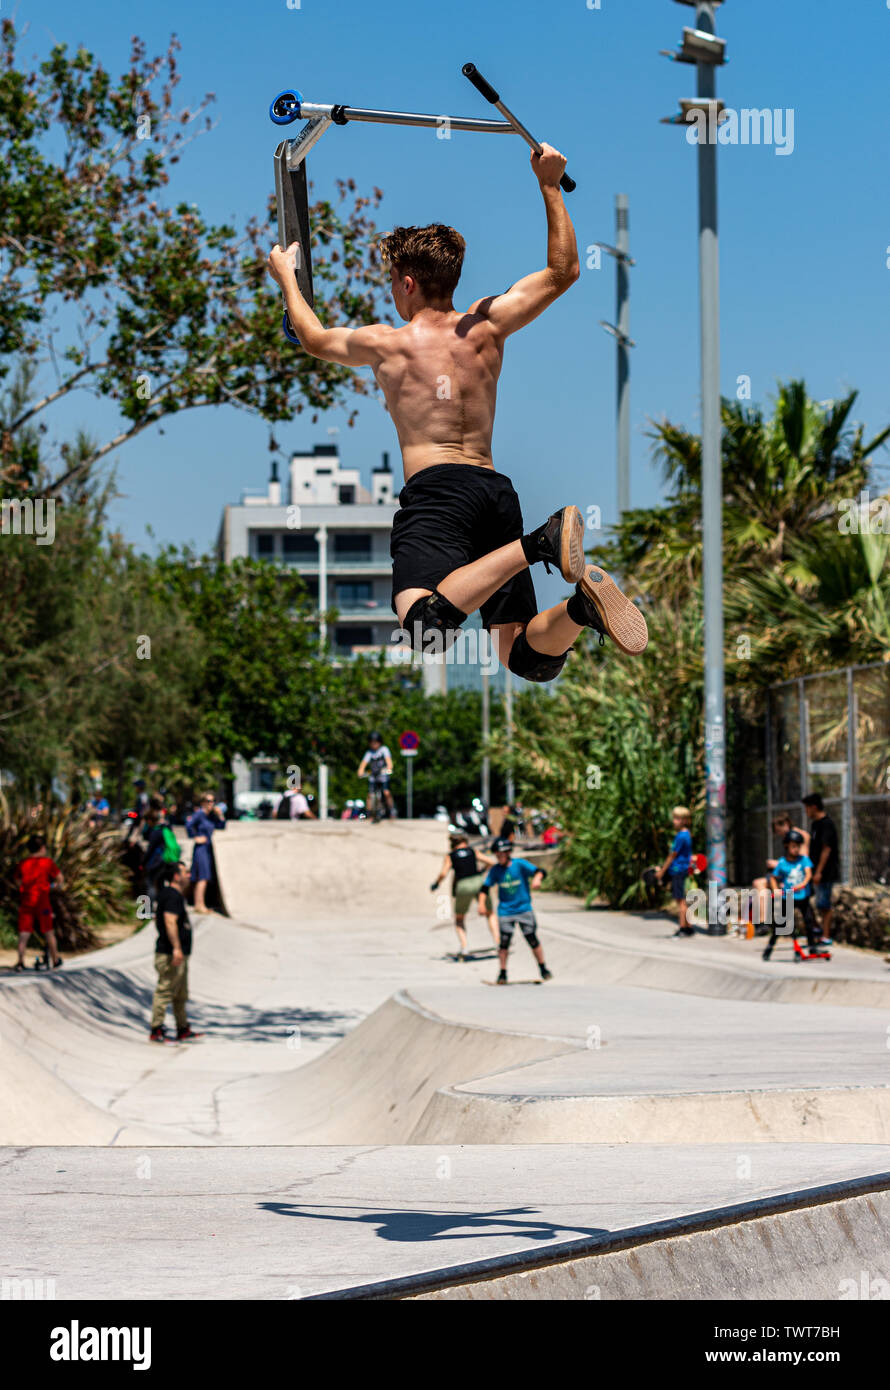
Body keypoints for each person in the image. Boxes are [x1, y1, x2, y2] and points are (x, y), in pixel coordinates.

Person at [266, 144, 649, 687]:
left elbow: (311, 337)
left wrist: (286, 275)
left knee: (424, 629)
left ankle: (540, 543)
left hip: (438, 492)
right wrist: (548, 184)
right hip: (493, 490)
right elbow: (563, 272)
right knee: (524, 657)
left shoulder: (388, 344)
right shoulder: (487, 325)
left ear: (406, 283)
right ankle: (581, 611)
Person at [480, 838, 552, 985]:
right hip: (505, 911)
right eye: (497, 855)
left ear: (508, 853)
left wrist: (537, 879)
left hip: (524, 908)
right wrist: (481, 904)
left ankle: (543, 968)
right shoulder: (495, 870)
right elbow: (485, 888)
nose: (499, 857)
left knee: (531, 938)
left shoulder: (519, 864)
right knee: (504, 943)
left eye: (501, 854)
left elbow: (540, 871)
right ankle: (502, 973)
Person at [149, 860, 202, 1042]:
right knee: (164, 991)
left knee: (180, 994)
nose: (188, 875)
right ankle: (156, 1029)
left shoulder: (173, 895)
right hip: (170, 954)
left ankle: (182, 1028)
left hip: (177, 954)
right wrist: (176, 948)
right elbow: (169, 921)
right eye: (185, 872)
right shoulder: (171, 896)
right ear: (176, 876)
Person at [431, 833, 499, 960]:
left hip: (463, 885)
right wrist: (483, 871)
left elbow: (443, 873)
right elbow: (490, 862)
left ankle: (464, 947)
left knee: (459, 918)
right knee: (490, 913)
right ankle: (498, 944)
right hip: (479, 881)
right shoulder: (473, 851)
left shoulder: (450, 856)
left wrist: (436, 884)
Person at [762, 829, 819, 960]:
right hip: (787, 897)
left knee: (809, 921)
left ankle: (812, 947)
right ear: (787, 846)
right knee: (781, 924)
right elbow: (772, 877)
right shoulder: (782, 863)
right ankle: (769, 948)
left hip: (802, 896)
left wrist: (803, 884)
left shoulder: (804, 860)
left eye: (798, 846)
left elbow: (808, 874)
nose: (796, 849)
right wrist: (776, 889)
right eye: (793, 846)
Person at [14, 834, 64, 971]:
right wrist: (52, 887)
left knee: (24, 933)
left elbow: (18, 881)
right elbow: (60, 878)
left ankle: (20, 962)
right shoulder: (47, 862)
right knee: (48, 931)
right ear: (42, 848)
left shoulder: (23, 863)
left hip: (27, 900)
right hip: (42, 901)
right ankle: (55, 960)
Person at [802, 793, 840, 945]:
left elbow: (826, 849)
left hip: (825, 872)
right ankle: (817, 930)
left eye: (807, 808)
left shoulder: (826, 824)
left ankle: (826, 935)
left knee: (824, 904)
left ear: (814, 807)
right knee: (808, 899)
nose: (806, 812)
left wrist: (818, 871)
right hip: (813, 871)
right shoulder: (815, 825)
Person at [656, 807, 694, 937]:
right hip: (683, 869)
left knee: (680, 901)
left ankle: (682, 928)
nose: (674, 821)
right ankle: (689, 927)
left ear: (684, 820)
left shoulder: (681, 836)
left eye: (677, 818)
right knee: (682, 899)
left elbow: (672, 855)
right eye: (674, 818)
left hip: (677, 869)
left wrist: (662, 871)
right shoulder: (687, 834)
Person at [185, 792, 226, 914]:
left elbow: (221, 826)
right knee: (202, 876)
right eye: (208, 801)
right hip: (201, 848)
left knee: (204, 876)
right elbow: (189, 825)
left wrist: (220, 815)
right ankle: (199, 904)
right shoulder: (200, 814)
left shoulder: (211, 816)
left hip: (208, 848)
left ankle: (199, 903)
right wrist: (195, 837)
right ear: (203, 802)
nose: (211, 804)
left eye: (212, 801)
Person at [357, 733, 395, 820]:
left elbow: (389, 762)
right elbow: (363, 764)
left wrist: (389, 768)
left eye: (376, 742)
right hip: (373, 776)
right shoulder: (369, 753)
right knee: (370, 795)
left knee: (386, 792)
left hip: (383, 775)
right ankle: (369, 812)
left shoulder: (384, 750)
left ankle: (391, 809)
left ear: (380, 742)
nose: (374, 745)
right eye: (372, 743)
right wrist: (360, 771)